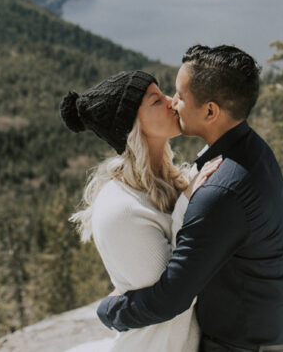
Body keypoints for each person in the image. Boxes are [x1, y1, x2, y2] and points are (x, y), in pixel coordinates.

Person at [97, 44, 283, 352]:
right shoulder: (254, 150)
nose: (173, 102)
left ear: (210, 112)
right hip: (267, 335)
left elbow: (171, 298)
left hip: (240, 345)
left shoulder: (220, 191)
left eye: (180, 96)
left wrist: (109, 311)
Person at [61, 69, 221, 352]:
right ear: (132, 127)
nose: (172, 101)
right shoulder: (121, 206)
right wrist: (188, 202)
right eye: (156, 100)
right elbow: (177, 292)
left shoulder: (172, 181)